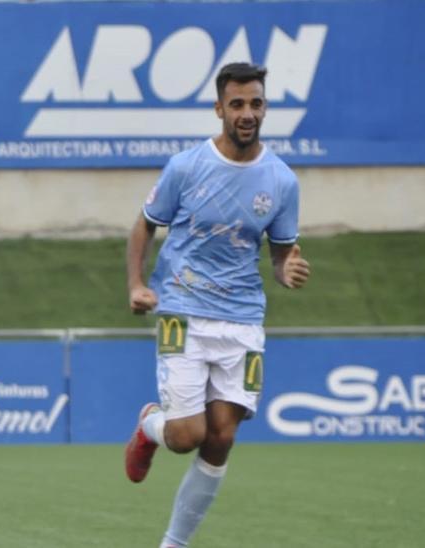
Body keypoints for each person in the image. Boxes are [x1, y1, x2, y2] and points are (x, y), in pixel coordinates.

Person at [122, 63, 311, 548]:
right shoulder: (187, 166)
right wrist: (137, 284)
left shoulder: (282, 181)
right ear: (219, 109)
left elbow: (279, 250)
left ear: (264, 107)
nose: (247, 113)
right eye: (238, 104)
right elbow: (145, 225)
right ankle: (149, 426)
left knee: (221, 437)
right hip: (182, 311)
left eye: (256, 103)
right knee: (186, 435)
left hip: (243, 321)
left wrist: (285, 269)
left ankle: (173, 544)